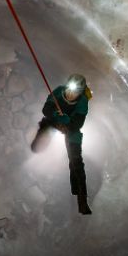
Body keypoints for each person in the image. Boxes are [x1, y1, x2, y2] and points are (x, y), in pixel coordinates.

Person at [30, 73, 93, 215]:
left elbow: (78, 124)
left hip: (70, 127)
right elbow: (46, 109)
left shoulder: (82, 101)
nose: (71, 94)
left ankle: (81, 198)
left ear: (80, 92)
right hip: (57, 119)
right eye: (70, 89)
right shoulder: (59, 91)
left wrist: (68, 122)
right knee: (45, 124)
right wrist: (55, 114)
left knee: (76, 161)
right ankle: (40, 143)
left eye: (75, 92)